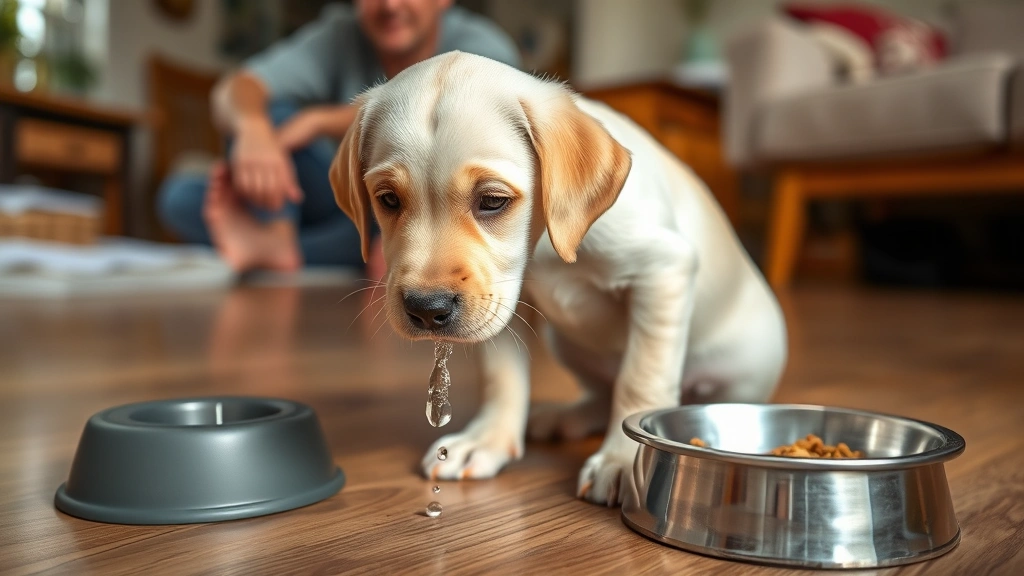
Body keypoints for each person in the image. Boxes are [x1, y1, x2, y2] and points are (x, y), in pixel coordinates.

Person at [157, 0, 520, 274]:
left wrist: (320, 121)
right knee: (180, 196)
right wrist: (253, 129)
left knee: (385, 222)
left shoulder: (483, 48)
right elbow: (234, 90)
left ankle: (283, 250)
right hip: (335, 196)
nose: (390, 5)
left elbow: (445, 111)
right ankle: (280, 235)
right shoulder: (340, 33)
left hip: (422, 210)